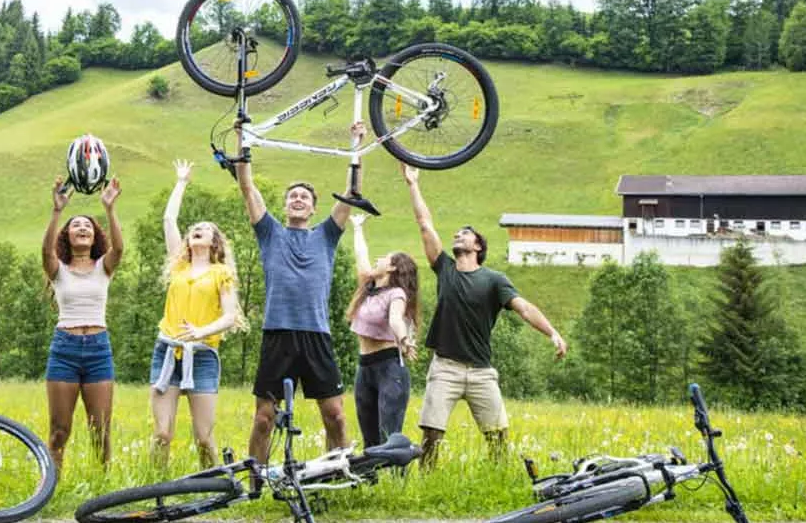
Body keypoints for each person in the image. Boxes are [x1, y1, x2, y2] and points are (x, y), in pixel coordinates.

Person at [400, 164, 568, 468]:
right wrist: (413, 183)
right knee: (431, 435)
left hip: (481, 371)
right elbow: (425, 224)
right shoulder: (445, 270)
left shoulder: (494, 279)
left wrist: (552, 332)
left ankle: (498, 478)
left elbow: (524, 307)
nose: (457, 235)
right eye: (456, 234)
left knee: (498, 436)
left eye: (464, 234)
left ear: (478, 245)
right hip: (445, 367)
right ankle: (424, 485)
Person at [234, 119, 367, 463]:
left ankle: (336, 471)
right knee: (264, 417)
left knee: (335, 415)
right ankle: (256, 480)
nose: (297, 199)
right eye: (292, 196)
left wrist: (356, 146)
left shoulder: (326, 234)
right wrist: (241, 139)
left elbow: (351, 194)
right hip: (278, 334)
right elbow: (247, 187)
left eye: (304, 197)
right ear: (285, 205)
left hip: (316, 335)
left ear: (313, 208)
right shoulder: (269, 233)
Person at [149, 160, 243, 468]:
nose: (196, 232)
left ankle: (214, 484)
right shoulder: (179, 266)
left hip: (202, 355)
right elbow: (168, 219)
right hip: (167, 351)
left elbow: (230, 316)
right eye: (194, 230)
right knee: (162, 433)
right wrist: (181, 182)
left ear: (214, 242)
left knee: (204, 436)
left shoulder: (222, 273)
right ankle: (154, 487)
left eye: (204, 230)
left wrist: (200, 332)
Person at [42, 175, 123, 472]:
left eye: (88, 225)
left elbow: (119, 249)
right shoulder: (58, 269)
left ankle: (103, 488)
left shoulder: (104, 267)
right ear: (67, 236)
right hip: (65, 349)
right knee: (59, 431)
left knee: (100, 430)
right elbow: (45, 252)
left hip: (99, 350)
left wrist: (110, 208)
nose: (82, 228)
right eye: (76, 225)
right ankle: (51, 487)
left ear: (94, 236)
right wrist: (57, 211)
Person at [346, 213, 420, 449]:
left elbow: (396, 319)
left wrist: (405, 340)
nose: (377, 260)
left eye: (383, 258)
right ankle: (373, 481)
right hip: (364, 366)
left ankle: (396, 480)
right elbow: (361, 256)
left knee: (388, 434)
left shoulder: (396, 294)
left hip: (389, 368)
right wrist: (357, 228)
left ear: (392, 268)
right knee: (369, 435)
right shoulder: (369, 289)